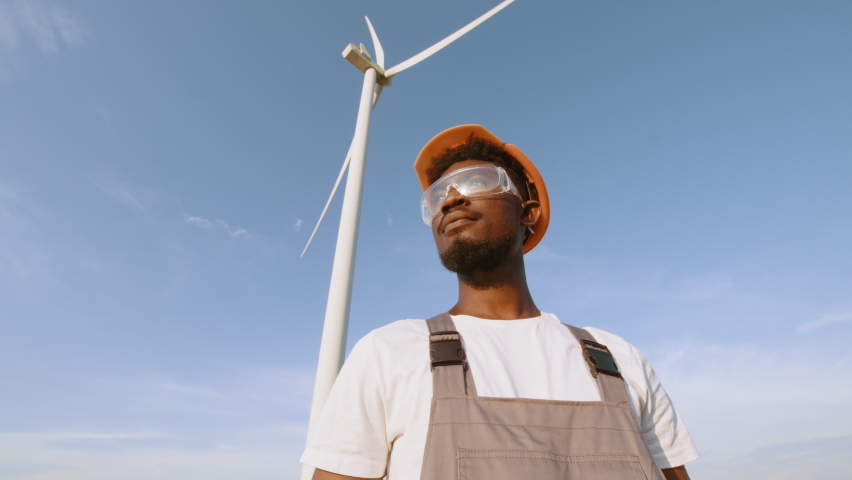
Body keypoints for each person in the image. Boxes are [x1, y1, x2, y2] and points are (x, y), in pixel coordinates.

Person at [301, 125, 699, 480]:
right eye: (437, 194)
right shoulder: (387, 352)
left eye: (476, 181)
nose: (451, 199)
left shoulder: (620, 359)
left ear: (528, 212)